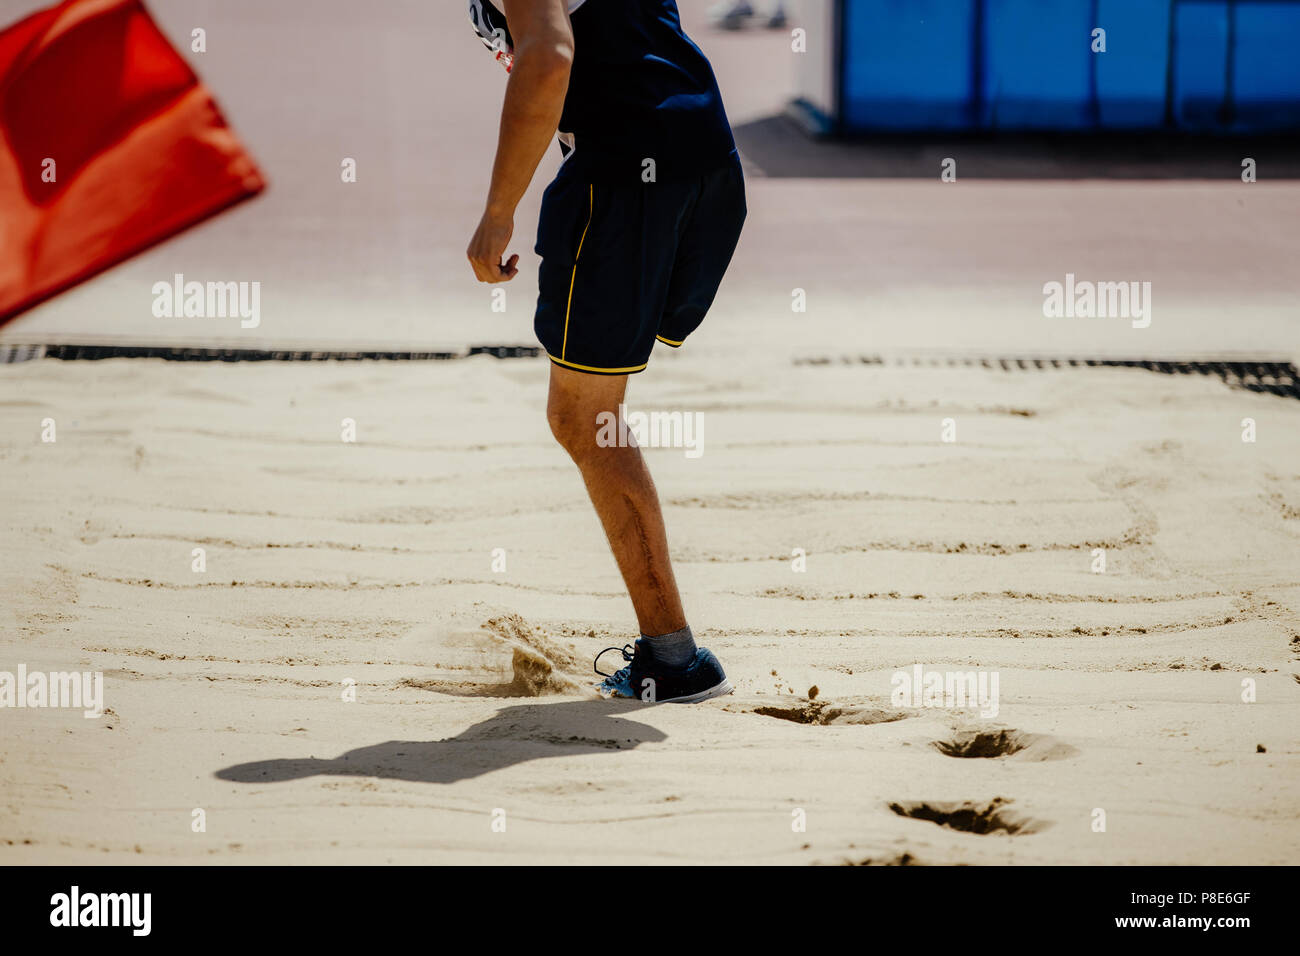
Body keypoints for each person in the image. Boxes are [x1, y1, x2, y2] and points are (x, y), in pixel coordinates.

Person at [466, 0, 746, 703]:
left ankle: (676, 662)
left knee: (584, 417)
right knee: (594, 409)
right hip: (703, 158)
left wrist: (499, 210)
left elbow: (549, 57)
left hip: (625, 176)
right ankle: (672, 654)